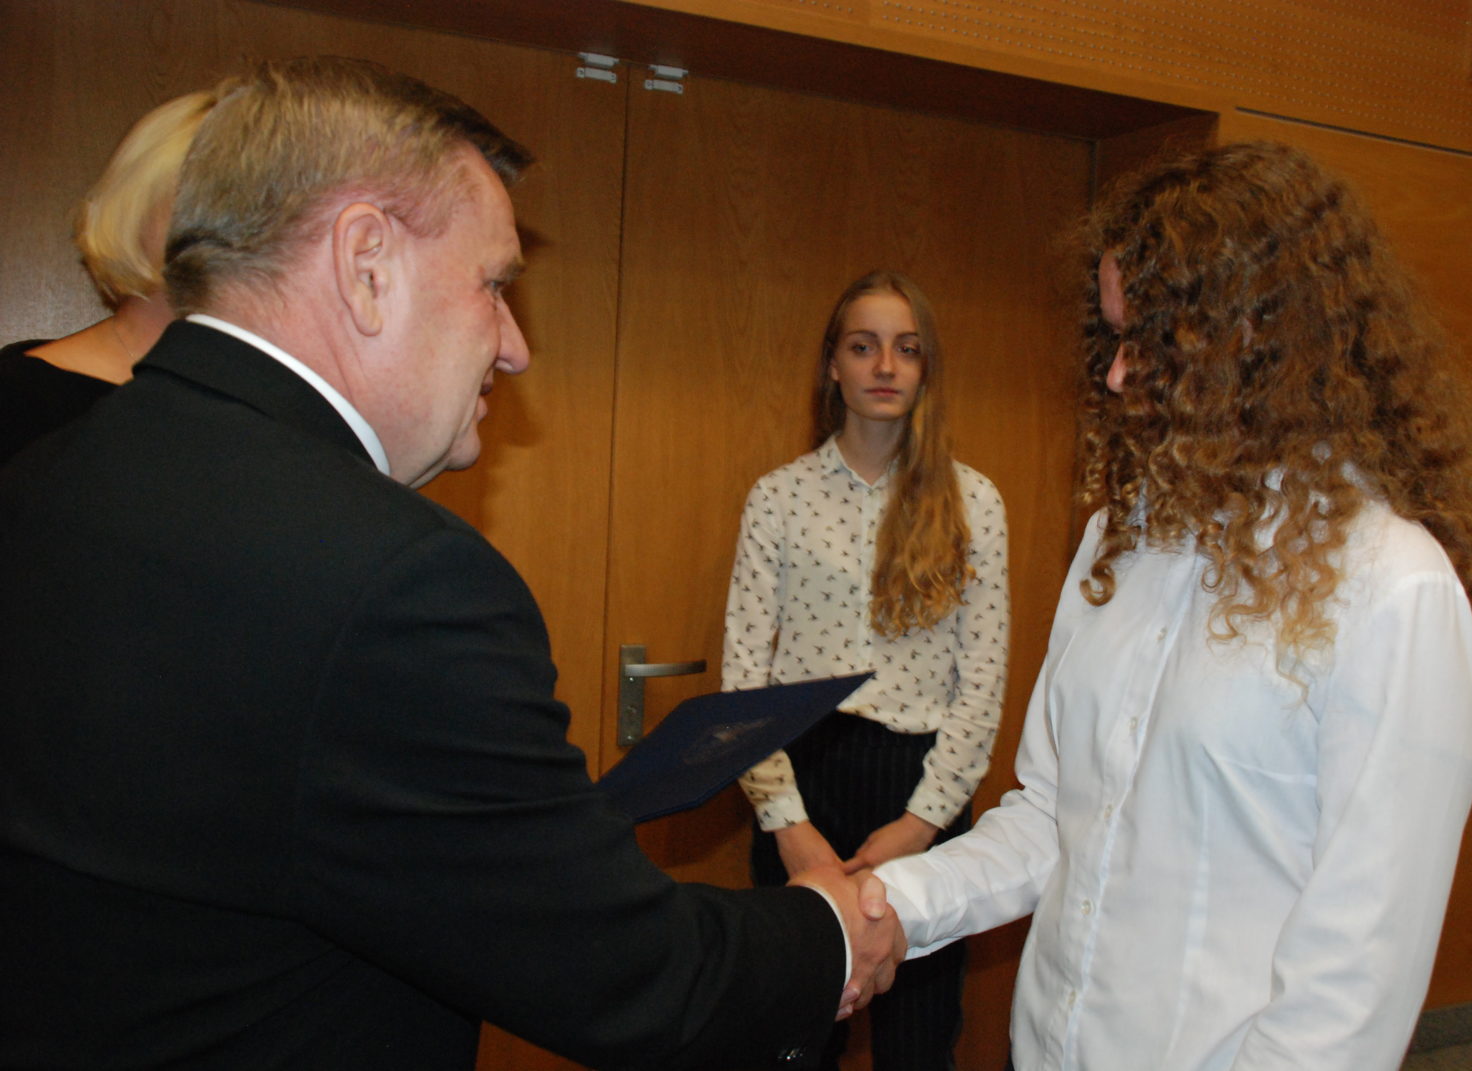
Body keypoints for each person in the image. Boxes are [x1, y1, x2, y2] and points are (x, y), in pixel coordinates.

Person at [0, 56, 903, 1071]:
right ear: (366, 264)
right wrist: (828, 932)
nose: (515, 347)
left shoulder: (42, 474)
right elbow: (627, 975)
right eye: (495, 285)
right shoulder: (399, 581)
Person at [873, 142, 1472, 1070]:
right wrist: (893, 906)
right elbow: (1054, 816)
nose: (1117, 376)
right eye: (1113, 339)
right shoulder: (1118, 542)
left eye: (1151, 343)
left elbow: (1354, 985)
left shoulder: (1393, 588)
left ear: (1261, 340)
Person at [724, 270, 1009, 1070]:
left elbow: (981, 683)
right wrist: (790, 830)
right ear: (833, 365)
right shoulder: (778, 499)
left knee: (918, 1044)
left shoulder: (975, 502)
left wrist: (920, 825)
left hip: (921, 790)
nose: (885, 365)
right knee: (794, 1041)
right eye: (863, 346)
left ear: (925, 369)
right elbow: (745, 682)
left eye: (907, 348)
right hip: (801, 787)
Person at [0, 84, 226, 464]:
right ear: (135, 208)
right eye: (205, 201)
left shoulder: (295, 401)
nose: (233, 232)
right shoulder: (21, 397)